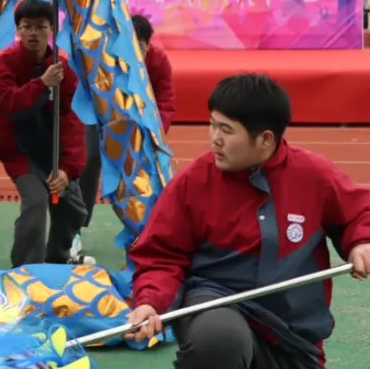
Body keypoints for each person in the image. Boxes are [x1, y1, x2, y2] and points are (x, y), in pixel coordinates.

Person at [126, 73, 370, 369]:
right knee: (218, 340)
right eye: (212, 124)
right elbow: (160, 255)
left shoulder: (314, 175)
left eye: (226, 130)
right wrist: (151, 302)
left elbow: (359, 211)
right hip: (216, 304)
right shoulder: (193, 182)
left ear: (266, 138)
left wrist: (361, 241)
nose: (214, 138)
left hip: (292, 336)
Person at [0, 0, 89, 267]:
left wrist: (67, 168)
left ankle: (56, 260)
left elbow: (72, 119)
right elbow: (11, 105)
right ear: (17, 30)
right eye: (26, 26)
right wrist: (42, 84)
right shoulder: (3, 65)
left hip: (53, 154)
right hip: (21, 153)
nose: (33, 33)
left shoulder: (63, 68)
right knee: (36, 203)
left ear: (52, 30)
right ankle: (25, 271)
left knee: (73, 210)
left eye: (41, 26)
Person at [73, 13, 177, 262]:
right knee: (86, 163)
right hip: (101, 119)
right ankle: (73, 230)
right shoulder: (106, 58)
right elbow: (88, 91)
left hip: (141, 126)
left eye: (140, 47)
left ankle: (143, 234)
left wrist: (154, 133)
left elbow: (165, 100)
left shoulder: (158, 61)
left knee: (143, 177)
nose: (134, 53)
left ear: (148, 44)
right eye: (129, 46)